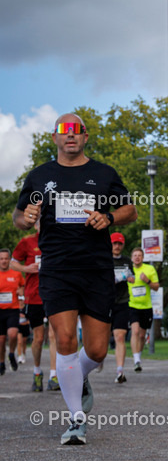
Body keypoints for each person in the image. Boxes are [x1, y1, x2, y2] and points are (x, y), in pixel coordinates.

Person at [13, 114, 137, 444]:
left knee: (96, 352)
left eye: (76, 131)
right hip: (56, 269)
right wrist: (25, 217)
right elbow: (18, 216)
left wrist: (108, 216)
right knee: (65, 339)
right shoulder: (40, 176)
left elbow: (130, 210)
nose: (70, 136)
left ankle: (77, 376)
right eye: (64, 131)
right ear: (54, 137)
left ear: (85, 137)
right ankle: (75, 419)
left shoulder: (103, 174)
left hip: (96, 269)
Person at [11, 220, 60, 391]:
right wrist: (27, 269)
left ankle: (54, 376)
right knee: (38, 338)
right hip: (34, 296)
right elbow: (12, 262)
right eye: (39, 222)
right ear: (35, 225)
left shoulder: (58, 240)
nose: (42, 224)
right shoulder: (27, 242)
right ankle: (37, 372)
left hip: (55, 294)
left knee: (55, 336)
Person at [126, 246, 159, 374]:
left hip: (146, 306)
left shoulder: (149, 269)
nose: (137, 257)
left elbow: (156, 287)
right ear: (131, 258)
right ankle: (136, 360)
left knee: (141, 334)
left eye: (139, 255)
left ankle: (138, 355)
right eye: (135, 255)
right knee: (134, 331)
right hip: (132, 305)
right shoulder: (128, 270)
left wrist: (148, 281)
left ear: (143, 257)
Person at [111, 233, 134, 383]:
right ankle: (97, 360)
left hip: (122, 301)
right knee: (99, 339)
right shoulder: (104, 259)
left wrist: (131, 278)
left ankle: (120, 371)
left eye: (119, 244)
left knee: (120, 336)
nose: (117, 246)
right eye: (114, 244)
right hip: (105, 302)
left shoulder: (127, 261)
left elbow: (131, 276)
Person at [0, 249, 24, 375]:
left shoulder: (16, 274)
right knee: (1, 340)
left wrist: (21, 291)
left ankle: (11, 354)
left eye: (6, 258)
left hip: (13, 309)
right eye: (1, 259)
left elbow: (22, 286)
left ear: (9, 260)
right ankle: (2, 362)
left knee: (13, 335)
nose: (4, 261)